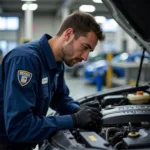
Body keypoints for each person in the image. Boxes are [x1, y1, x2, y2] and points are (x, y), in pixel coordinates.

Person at [0, 11, 105, 150]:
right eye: (85, 47)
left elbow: (60, 99)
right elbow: (19, 127)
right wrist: (75, 120)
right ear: (68, 35)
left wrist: (80, 110)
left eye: (89, 52)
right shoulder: (26, 60)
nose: (85, 57)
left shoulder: (57, 62)